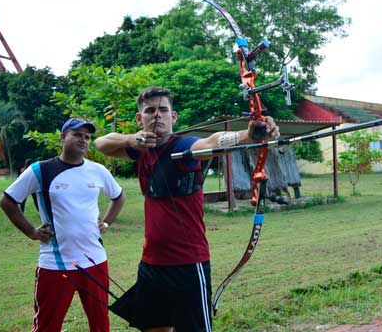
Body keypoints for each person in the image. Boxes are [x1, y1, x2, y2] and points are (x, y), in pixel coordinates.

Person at [94, 86, 280, 332]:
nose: (157, 115)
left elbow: (210, 142)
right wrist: (132, 139)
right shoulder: (140, 150)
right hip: (151, 263)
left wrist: (247, 136)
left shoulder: (185, 147)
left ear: (174, 117)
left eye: (163, 110)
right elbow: (100, 143)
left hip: (188, 265)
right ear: (140, 118)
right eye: (150, 111)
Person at [0, 118, 125, 332]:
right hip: (55, 264)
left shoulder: (98, 170)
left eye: (87, 136)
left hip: (95, 261)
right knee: (47, 325)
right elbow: (7, 201)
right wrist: (31, 231)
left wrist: (106, 222)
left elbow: (118, 197)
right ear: (63, 136)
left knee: (101, 324)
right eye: (77, 134)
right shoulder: (40, 170)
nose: (83, 140)